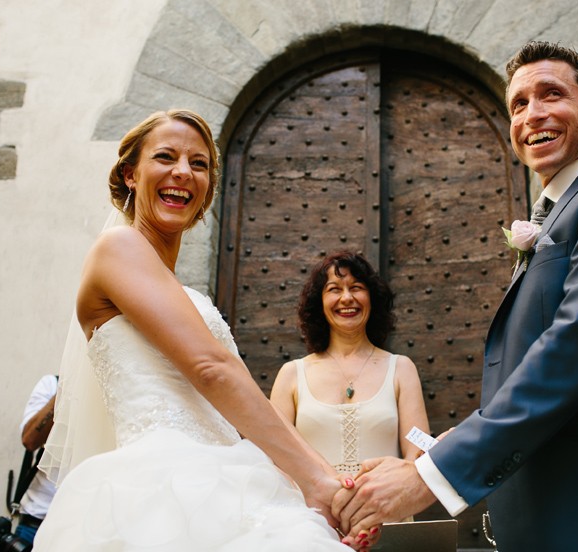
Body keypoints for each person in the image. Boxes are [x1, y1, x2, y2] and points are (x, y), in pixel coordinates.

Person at [332, 41, 578, 551]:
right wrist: (444, 448)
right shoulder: (553, 214)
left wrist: (431, 476)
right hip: (556, 510)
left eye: (551, 94)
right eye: (518, 104)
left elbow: (574, 348)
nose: (532, 114)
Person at [34, 110, 377, 551]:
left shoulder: (180, 292)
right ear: (130, 174)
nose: (183, 171)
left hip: (228, 476)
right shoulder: (117, 248)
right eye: (165, 157)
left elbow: (238, 401)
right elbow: (211, 368)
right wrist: (316, 482)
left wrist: (326, 480)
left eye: (199, 164)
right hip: (167, 489)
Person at [270, 251, 429, 477]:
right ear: (320, 303)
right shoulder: (292, 374)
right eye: (334, 289)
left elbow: (418, 453)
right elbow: (276, 456)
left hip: (386, 508)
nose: (346, 298)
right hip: (312, 510)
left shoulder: (402, 369)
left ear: (372, 299)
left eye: (356, 287)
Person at [13, 375, 57, 544]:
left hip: (84, 528)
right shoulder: (52, 384)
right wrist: (69, 385)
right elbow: (30, 440)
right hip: (35, 524)